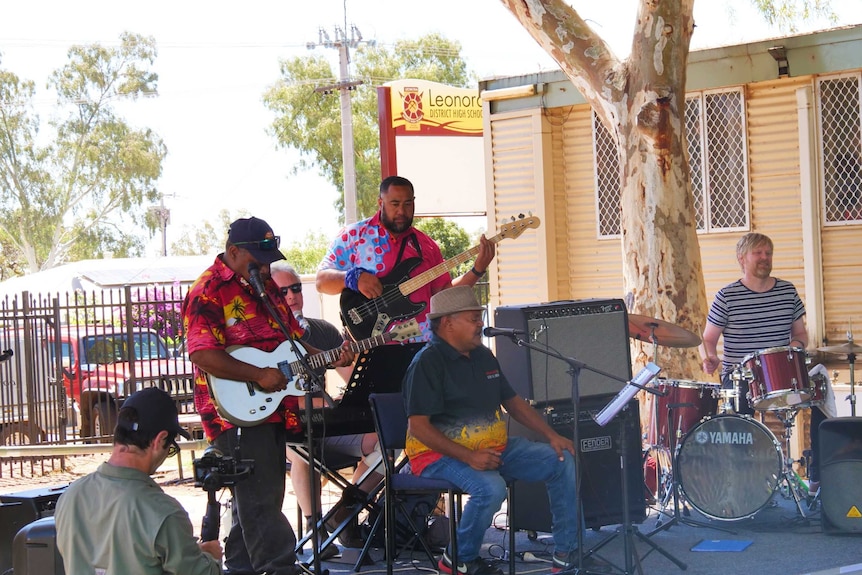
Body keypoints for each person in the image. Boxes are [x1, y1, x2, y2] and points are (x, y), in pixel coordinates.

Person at [182, 217, 353, 575]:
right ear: (232, 252)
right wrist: (258, 374)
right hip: (234, 412)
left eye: (267, 260)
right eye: (256, 260)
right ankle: (279, 568)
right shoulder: (208, 291)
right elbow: (202, 354)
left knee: (257, 499)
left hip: (273, 408)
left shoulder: (264, 285)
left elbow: (291, 341)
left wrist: (328, 354)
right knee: (261, 501)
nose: (263, 267)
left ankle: (242, 569)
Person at [403, 286, 606, 575]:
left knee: (561, 460)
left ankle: (567, 554)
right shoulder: (427, 362)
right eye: (473, 318)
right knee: (490, 487)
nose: (479, 324)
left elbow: (512, 402)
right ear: (447, 323)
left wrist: (552, 436)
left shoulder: (484, 356)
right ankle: (459, 559)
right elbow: (418, 428)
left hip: (494, 449)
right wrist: (468, 457)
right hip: (437, 456)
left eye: (480, 317)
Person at [701, 232, 827, 492]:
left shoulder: (787, 291)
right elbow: (708, 338)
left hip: (782, 372)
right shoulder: (727, 296)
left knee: (821, 399)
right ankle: (744, 485)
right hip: (741, 377)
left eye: (768, 253)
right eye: (758, 253)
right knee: (741, 427)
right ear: (742, 259)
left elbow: (800, 334)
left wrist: (795, 347)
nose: (764, 258)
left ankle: (817, 479)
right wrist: (710, 357)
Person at [270, 261, 382, 553]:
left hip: (327, 423)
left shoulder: (324, 331)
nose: (293, 295)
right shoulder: (266, 337)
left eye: (296, 288)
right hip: (286, 430)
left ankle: (344, 513)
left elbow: (353, 381)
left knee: (384, 442)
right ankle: (315, 526)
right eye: (283, 291)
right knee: (304, 450)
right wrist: (321, 402)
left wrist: (356, 359)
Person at [55, 387, 223, 575]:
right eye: (171, 447)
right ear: (160, 440)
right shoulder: (162, 511)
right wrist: (211, 558)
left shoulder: (71, 497)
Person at [316, 175, 495, 340]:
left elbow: (443, 297)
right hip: (374, 348)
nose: (401, 211)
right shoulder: (354, 236)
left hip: (420, 347)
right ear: (380, 202)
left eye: (408, 204)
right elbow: (321, 281)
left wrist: (477, 270)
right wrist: (353, 278)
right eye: (394, 204)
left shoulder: (427, 246)